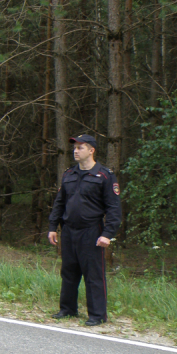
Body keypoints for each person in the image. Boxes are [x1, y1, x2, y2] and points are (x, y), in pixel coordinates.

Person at [47, 135, 122, 326]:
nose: (76, 151)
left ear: (91, 150)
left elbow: (113, 208)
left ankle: (97, 315)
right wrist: (52, 227)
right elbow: (60, 202)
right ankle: (67, 309)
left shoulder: (104, 175)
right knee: (69, 272)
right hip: (69, 231)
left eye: (81, 148)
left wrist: (107, 234)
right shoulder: (69, 174)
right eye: (75, 148)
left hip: (92, 231)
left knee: (93, 274)